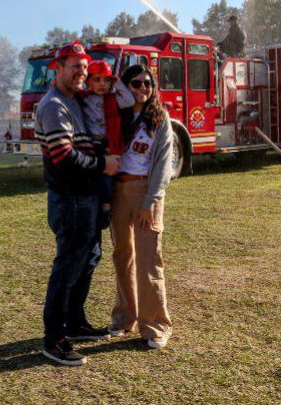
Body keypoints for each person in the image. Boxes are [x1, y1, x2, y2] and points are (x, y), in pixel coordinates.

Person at [34, 41, 120, 366]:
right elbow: (63, 156)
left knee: (89, 259)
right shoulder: (54, 105)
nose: (82, 73)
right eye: (74, 67)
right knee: (68, 267)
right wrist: (103, 166)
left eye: (85, 67)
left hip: (87, 198)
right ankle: (54, 339)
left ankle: (75, 323)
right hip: (70, 199)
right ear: (58, 68)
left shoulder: (76, 102)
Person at [109, 64, 174, 349]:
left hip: (146, 192)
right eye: (136, 83)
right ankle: (125, 318)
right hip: (119, 191)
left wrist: (150, 201)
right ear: (126, 86)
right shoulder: (116, 116)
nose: (143, 88)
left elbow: (163, 165)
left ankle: (156, 325)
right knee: (123, 255)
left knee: (149, 259)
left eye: (148, 83)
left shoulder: (160, 119)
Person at [81, 60, 134, 230]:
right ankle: (103, 206)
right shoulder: (83, 98)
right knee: (96, 178)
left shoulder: (112, 99)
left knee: (107, 177)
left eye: (106, 80)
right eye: (97, 79)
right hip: (91, 144)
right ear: (88, 81)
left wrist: (117, 83)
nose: (102, 84)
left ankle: (106, 207)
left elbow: (130, 100)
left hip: (108, 144)